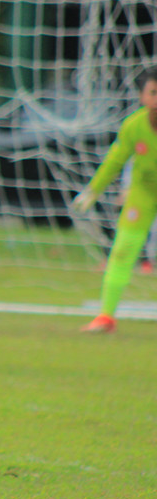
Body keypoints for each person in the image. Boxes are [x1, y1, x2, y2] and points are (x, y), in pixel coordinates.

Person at [73, 67, 157, 333]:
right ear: (143, 97)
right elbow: (115, 161)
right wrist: (93, 190)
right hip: (143, 195)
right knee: (122, 252)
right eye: (153, 92)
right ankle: (106, 317)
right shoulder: (134, 125)